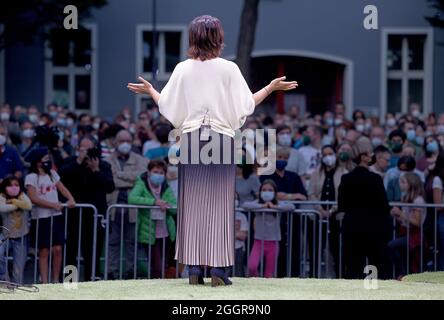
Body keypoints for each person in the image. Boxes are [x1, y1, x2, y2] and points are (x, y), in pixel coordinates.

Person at [127, 15, 298, 286]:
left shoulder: (183, 69)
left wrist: (151, 91)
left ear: (193, 38)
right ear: (218, 38)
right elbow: (245, 106)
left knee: (192, 204)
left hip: (193, 138)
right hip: (221, 138)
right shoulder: (229, 68)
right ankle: (218, 270)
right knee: (220, 204)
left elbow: (170, 108)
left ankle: (193, 268)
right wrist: (270, 88)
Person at [58, 137, 115, 281]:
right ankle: (69, 282)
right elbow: (61, 178)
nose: (86, 152)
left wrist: (96, 170)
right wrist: (78, 162)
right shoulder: (70, 163)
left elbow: (110, 187)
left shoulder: (103, 165)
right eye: (83, 149)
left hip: (95, 215)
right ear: (78, 149)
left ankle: (91, 280)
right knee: (70, 250)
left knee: (92, 251)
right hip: (73, 214)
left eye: (89, 149)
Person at [338, 136, 391, 279]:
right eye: (370, 153)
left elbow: (341, 205)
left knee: (353, 267)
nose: (373, 156)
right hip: (374, 229)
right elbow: (384, 206)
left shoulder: (346, 179)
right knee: (374, 266)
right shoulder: (375, 179)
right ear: (364, 157)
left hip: (352, 229)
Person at [24, 147, 76, 283]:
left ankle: (55, 280)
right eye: (45, 159)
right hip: (41, 218)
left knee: (58, 249)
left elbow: (62, 188)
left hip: (56, 216)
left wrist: (70, 198)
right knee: (44, 251)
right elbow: (33, 198)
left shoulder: (52, 174)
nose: (48, 161)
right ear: (38, 162)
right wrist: (53, 205)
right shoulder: (31, 177)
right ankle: (45, 282)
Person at [105, 129, 148, 279]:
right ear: (115, 142)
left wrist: (120, 175)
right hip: (113, 207)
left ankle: (131, 271)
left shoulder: (140, 159)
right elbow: (111, 180)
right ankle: (112, 272)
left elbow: (142, 176)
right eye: (122, 141)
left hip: (133, 209)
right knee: (113, 242)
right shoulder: (108, 160)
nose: (125, 144)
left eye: (128, 141)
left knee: (132, 242)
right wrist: (130, 179)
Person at [128, 160, 177, 279]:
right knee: (157, 266)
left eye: (161, 172)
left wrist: (167, 205)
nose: (158, 175)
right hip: (148, 233)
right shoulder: (142, 183)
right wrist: (154, 202)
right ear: (149, 172)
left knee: (164, 265)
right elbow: (132, 198)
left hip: (166, 232)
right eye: (155, 172)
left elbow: (175, 207)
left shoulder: (165, 186)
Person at [308, 144, 348, 277]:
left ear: (336, 154)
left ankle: (340, 276)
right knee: (316, 249)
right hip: (318, 216)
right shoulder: (316, 173)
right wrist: (320, 209)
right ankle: (313, 276)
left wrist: (332, 209)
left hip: (337, 217)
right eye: (324, 155)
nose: (327, 157)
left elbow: (344, 195)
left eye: (330, 153)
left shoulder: (344, 173)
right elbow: (311, 193)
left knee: (336, 249)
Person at [243, 180, 295, 278]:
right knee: (252, 266)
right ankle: (256, 283)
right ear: (260, 191)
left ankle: (266, 291)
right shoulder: (257, 203)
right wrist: (262, 206)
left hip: (273, 242)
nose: (267, 192)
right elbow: (245, 205)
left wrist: (274, 207)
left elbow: (291, 207)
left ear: (275, 192)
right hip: (258, 241)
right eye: (264, 190)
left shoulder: (279, 203)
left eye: (270, 190)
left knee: (269, 274)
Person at [388, 173, 426, 279]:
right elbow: (406, 219)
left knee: (392, 245)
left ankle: (403, 272)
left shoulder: (417, 199)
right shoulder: (405, 197)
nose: (400, 184)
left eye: (403, 182)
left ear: (411, 184)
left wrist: (401, 214)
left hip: (415, 235)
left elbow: (417, 222)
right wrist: (397, 215)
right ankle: (404, 273)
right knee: (400, 252)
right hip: (405, 231)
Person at [0, 176, 32, 283]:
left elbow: (28, 206)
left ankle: (16, 292)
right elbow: (2, 208)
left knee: (18, 270)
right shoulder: (2, 196)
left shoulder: (22, 195)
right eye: (10, 185)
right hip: (5, 236)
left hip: (21, 237)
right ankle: (4, 281)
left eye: (16, 185)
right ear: (5, 187)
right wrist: (18, 205)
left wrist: (13, 201)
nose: (13, 188)